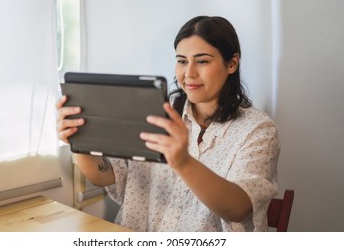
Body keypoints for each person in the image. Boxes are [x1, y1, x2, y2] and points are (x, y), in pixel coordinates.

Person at [56, 16, 279, 232]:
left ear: (231, 63)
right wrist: (80, 138)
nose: (189, 73)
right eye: (182, 61)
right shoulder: (155, 111)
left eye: (202, 61)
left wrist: (182, 161)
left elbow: (238, 208)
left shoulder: (258, 129)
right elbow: (106, 174)